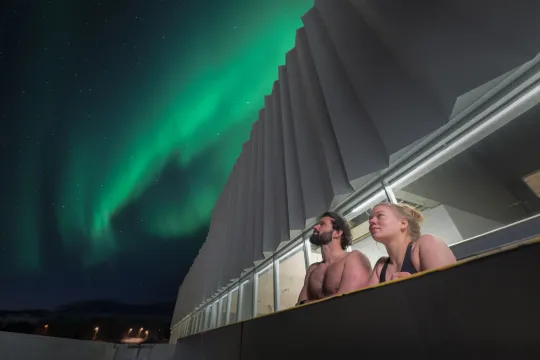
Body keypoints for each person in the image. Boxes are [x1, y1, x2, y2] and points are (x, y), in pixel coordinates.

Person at [367, 202, 457, 285]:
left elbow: (451, 290)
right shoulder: (381, 265)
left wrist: (413, 287)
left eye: (380, 216)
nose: (371, 221)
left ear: (403, 223)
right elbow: (368, 301)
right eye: (370, 218)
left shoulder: (427, 242)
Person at [297, 212, 372, 305]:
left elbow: (348, 303)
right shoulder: (313, 269)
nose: (315, 227)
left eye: (322, 224)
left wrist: (308, 303)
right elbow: (299, 306)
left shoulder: (354, 258)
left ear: (337, 233)